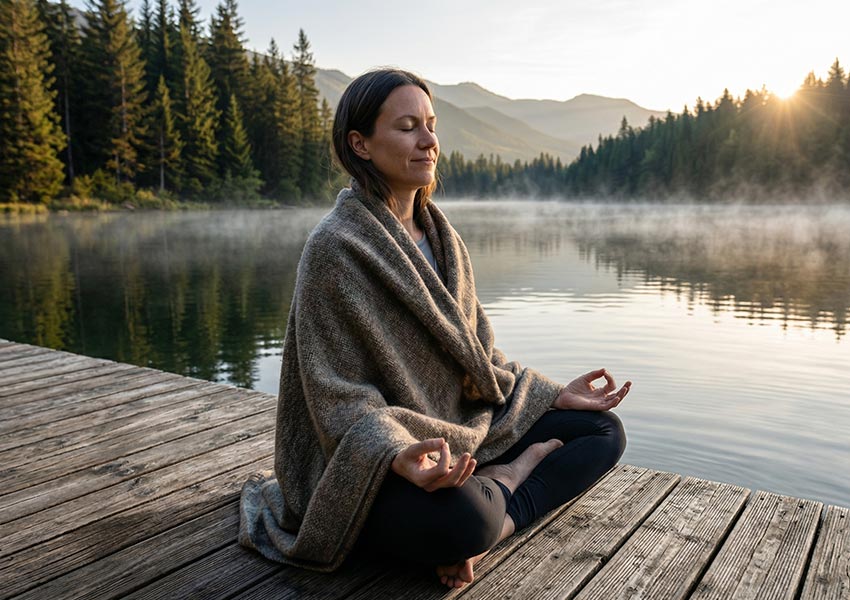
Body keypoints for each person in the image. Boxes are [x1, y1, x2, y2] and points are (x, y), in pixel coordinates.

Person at [238, 68, 630, 589]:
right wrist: (396, 455)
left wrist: (553, 396)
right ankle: (500, 492)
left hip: (462, 431)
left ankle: (497, 513)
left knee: (602, 431)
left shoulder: (444, 239)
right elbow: (336, 396)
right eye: (407, 127)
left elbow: (480, 359)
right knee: (457, 521)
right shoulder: (336, 248)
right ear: (360, 144)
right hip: (381, 457)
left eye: (431, 124)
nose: (429, 142)